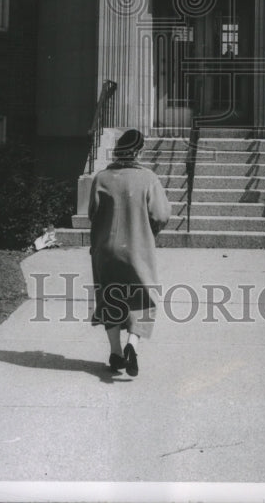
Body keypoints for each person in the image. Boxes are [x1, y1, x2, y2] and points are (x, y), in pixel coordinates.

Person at [88, 128, 171, 377]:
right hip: (137, 248)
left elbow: (93, 213)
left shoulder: (101, 178)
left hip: (106, 250)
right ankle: (131, 346)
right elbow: (161, 215)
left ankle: (115, 353)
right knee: (142, 298)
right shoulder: (148, 178)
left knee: (110, 297)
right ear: (139, 152)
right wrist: (149, 231)